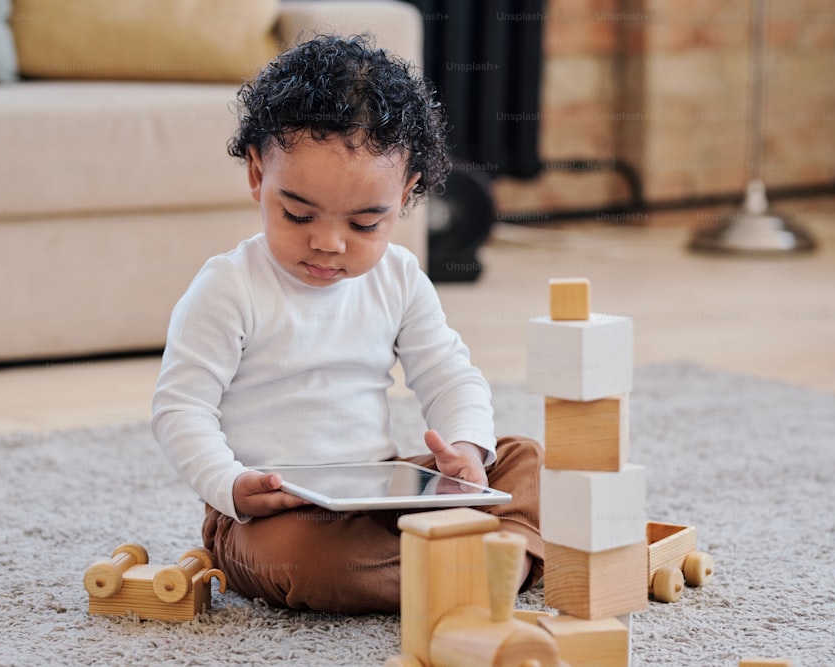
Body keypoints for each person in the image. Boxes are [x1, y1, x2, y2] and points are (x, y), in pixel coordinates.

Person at [151, 34, 544, 615]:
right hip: (271, 511)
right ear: (258, 174)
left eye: (364, 224)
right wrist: (231, 486)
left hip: (379, 487)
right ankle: (497, 563)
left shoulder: (401, 277)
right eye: (299, 214)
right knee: (311, 564)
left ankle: (462, 559)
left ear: (406, 194)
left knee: (523, 456)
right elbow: (180, 409)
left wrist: (465, 448)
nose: (329, 243)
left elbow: (448, 375)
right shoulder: (228, 287)